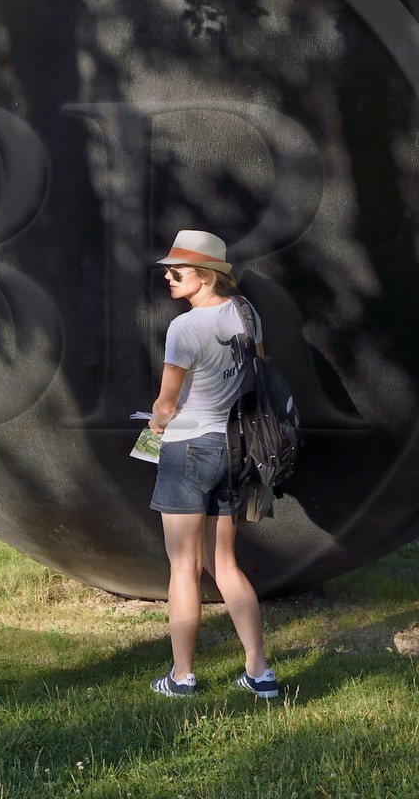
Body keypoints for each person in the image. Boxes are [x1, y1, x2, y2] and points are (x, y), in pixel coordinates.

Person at [145, 229, 277, 699]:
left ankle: (182, 677)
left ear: (206, 275)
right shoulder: (247, 315)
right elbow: (252, 377)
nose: (168, 276)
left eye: (177, 270)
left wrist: (157, 423)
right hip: (234, 447)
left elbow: (166, 403)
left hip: (189, 449)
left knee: (183, 567)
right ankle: (259, 672)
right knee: (224, 563)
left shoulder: (185, 327)